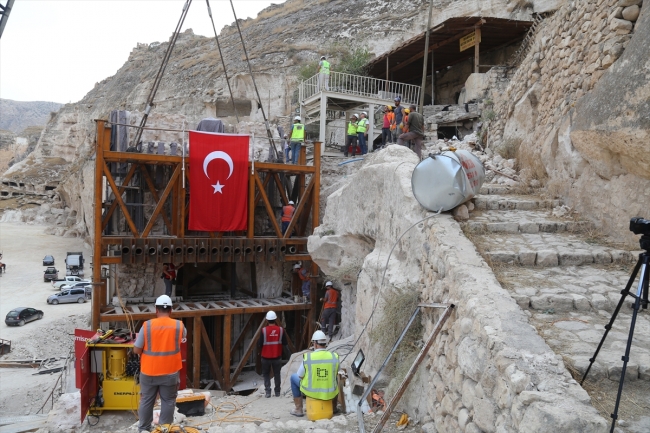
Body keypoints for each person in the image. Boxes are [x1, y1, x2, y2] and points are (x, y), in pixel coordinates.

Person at [134, 295, 186, 433]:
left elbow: (137, 349)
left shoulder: (147, 326)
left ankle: (144, 429)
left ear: (156, 310)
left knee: (146, 401)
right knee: (168, 401)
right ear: (171, 310)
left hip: (149, 371)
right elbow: (181, 339)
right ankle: (164, 429)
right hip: (170, 372)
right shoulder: (179, 325)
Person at [289, 330, 340, 417]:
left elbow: (300, 376)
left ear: (315, 344)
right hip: (329, 391)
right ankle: (334, 407)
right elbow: (337, 372)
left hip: (311, 392)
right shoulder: (334, 356)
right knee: (335, 378)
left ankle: (298, 409)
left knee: (293, 377)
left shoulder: (308, 357)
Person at [257, 311, 290, 398]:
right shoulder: (280, 330)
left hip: (265, 357)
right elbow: (285, 343)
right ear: (275, 319)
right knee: (277, 374)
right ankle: (277, 392)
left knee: (266, 374)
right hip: (277, 356)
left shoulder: (263, 330)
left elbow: (259, 344)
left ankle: (268, 392)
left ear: (267, 320)